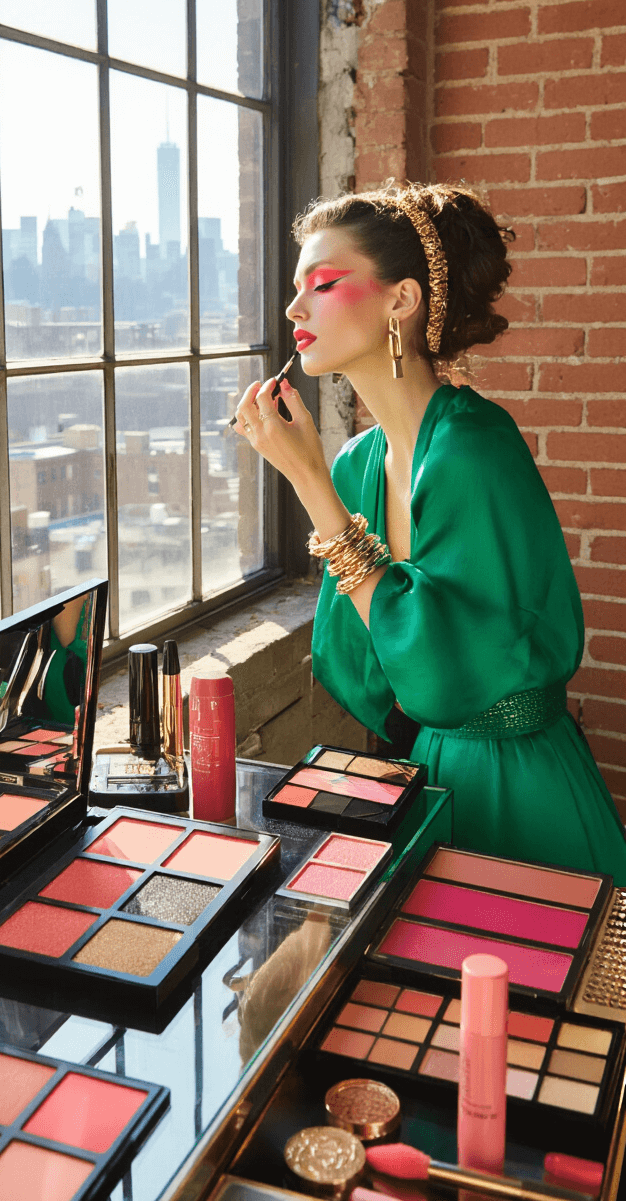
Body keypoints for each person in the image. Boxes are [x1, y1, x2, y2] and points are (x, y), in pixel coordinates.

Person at [233, 181, 626, 882]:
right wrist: (320, 478)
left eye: (323, 283)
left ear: (402, 300)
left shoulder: (474, 448)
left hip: (515, 781)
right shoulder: (358, 463)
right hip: (421, 772)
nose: (294, 308)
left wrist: (306, 479)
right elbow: (363, 666)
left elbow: (442, 674)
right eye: (296, 289)